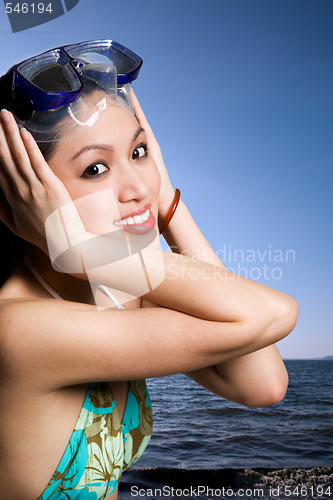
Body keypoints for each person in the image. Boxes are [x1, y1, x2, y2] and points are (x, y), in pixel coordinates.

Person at [0, 39, 298, 500]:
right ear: (18, 198)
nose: (136, 187)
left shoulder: (119, 291)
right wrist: (76, 249)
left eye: (139, 154)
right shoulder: (17, 329)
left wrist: (167, 203)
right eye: (96, 168)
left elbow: (263, 383)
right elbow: (271, 314)